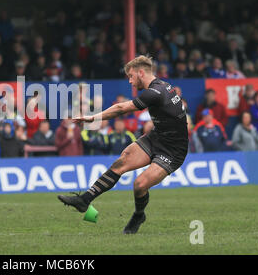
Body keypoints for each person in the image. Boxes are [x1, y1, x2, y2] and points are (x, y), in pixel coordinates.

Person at [58, 55, 188, 234]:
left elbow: (120, 109)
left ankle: (139, 215)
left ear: (141, 73)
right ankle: (84, 200)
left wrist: (93, 117)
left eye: (131, 76)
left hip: (173, 150)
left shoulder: (155, 92)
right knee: (121, 162)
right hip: (156, 138)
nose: (130, 81)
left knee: (140, 185)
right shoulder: (162, 86)